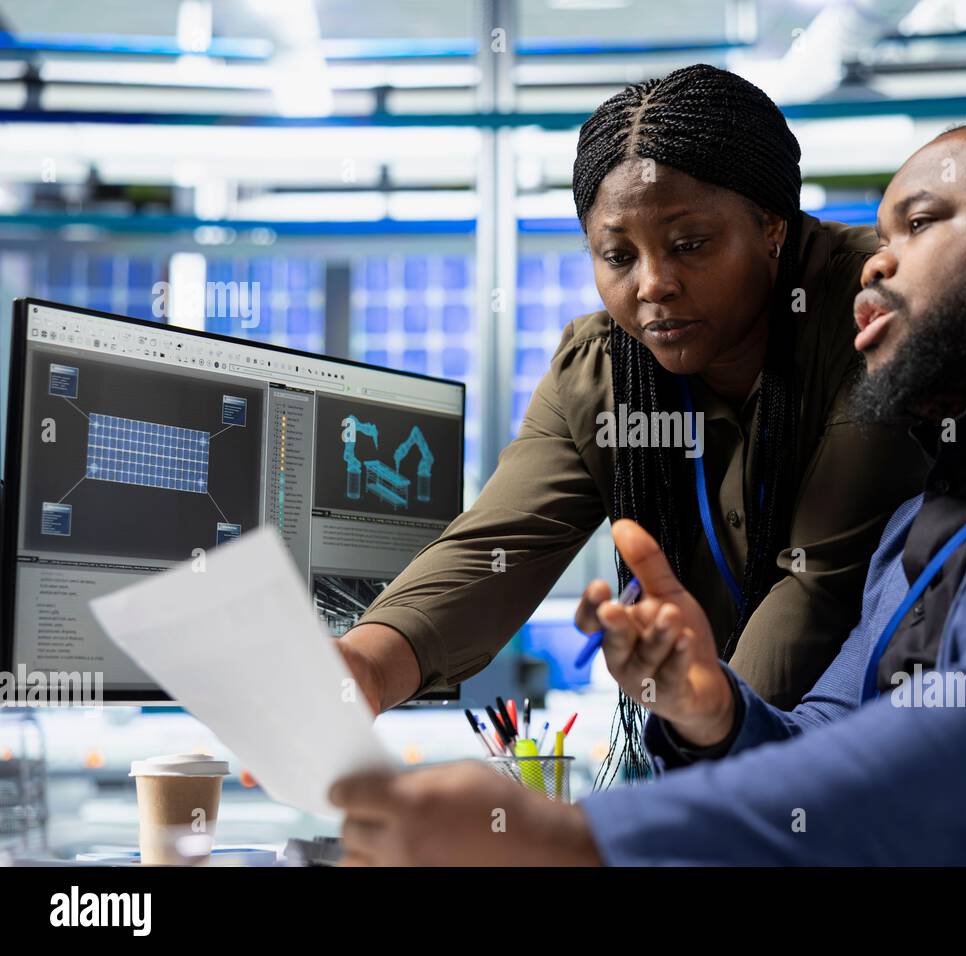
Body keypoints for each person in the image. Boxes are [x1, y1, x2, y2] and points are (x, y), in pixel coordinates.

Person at [330, 119, 966, 866]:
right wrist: (714, 710)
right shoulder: (934, 514)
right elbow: (832, 733)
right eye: (877, 235)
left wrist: (585, 838)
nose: (874, 261)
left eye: (917, 224)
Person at [338, 64, 927, 748]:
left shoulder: (875, 320)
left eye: (690, 245)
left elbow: (818, 584)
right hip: (733, 761)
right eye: (618, 256)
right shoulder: (602, 371)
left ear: (771, 227)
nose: (655, 285)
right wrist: (365, 668)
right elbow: (498, 544)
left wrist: (708, 773)